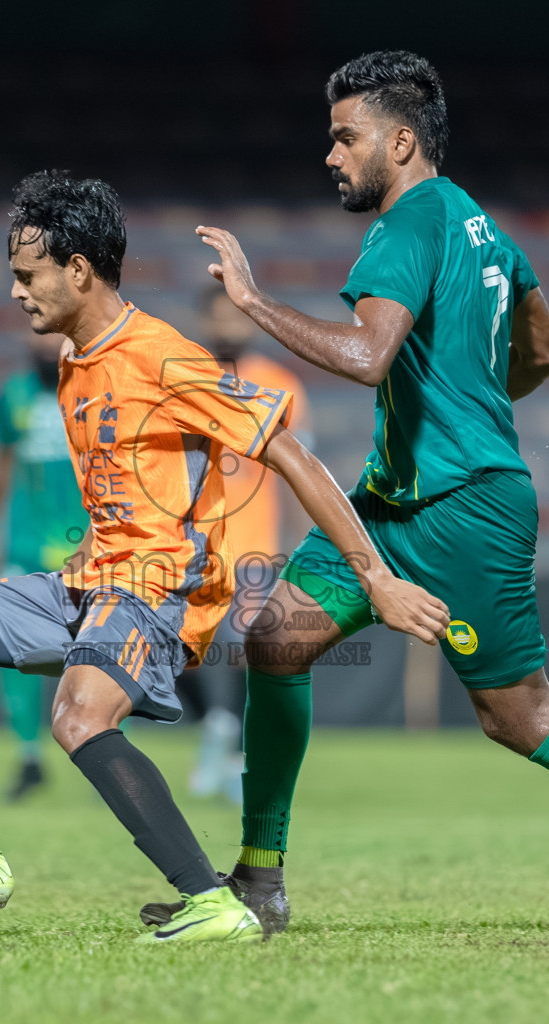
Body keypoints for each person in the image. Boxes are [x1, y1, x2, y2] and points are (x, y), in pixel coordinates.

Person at [144, 51, 549, 936]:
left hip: (462, 511)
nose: (330, 155)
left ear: (400, 142)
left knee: (519, 718)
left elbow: (368, 358)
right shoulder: (482, 227)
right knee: (276, 641)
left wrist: (252, 302)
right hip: (394, 501)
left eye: (344, 137)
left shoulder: (408, 225)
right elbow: (547, 350)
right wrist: (467, 406)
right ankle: (261, 875)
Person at [0, 170, 448, 944]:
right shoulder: (76, 359)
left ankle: (209, 899)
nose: (14, 292)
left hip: (158, 589)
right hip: (91, 581)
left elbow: (294, 457)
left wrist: (374, 577)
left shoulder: (164, 357)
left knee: (78, 718)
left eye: (25, 274)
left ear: (77, 268)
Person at [178, 285, 312, 802]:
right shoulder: (188, 379)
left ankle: (230, 755)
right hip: (192, 545)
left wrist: (303, 542)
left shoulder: (279, 384)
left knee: (243, 655)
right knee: (178, 650)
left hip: (255, 548)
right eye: (220, 318)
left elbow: (304, 471)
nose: (230, 328)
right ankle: (217, 728)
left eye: (238, 319)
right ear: (205, 321)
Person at [0, 332, 87, 801]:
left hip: (83, 544)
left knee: (98, 651)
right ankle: (29, 755)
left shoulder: (94, 391)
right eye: (38, 337)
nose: (47, 345)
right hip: (24, 540)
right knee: (14, 651)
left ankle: (98, 746)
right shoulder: (12, 394)